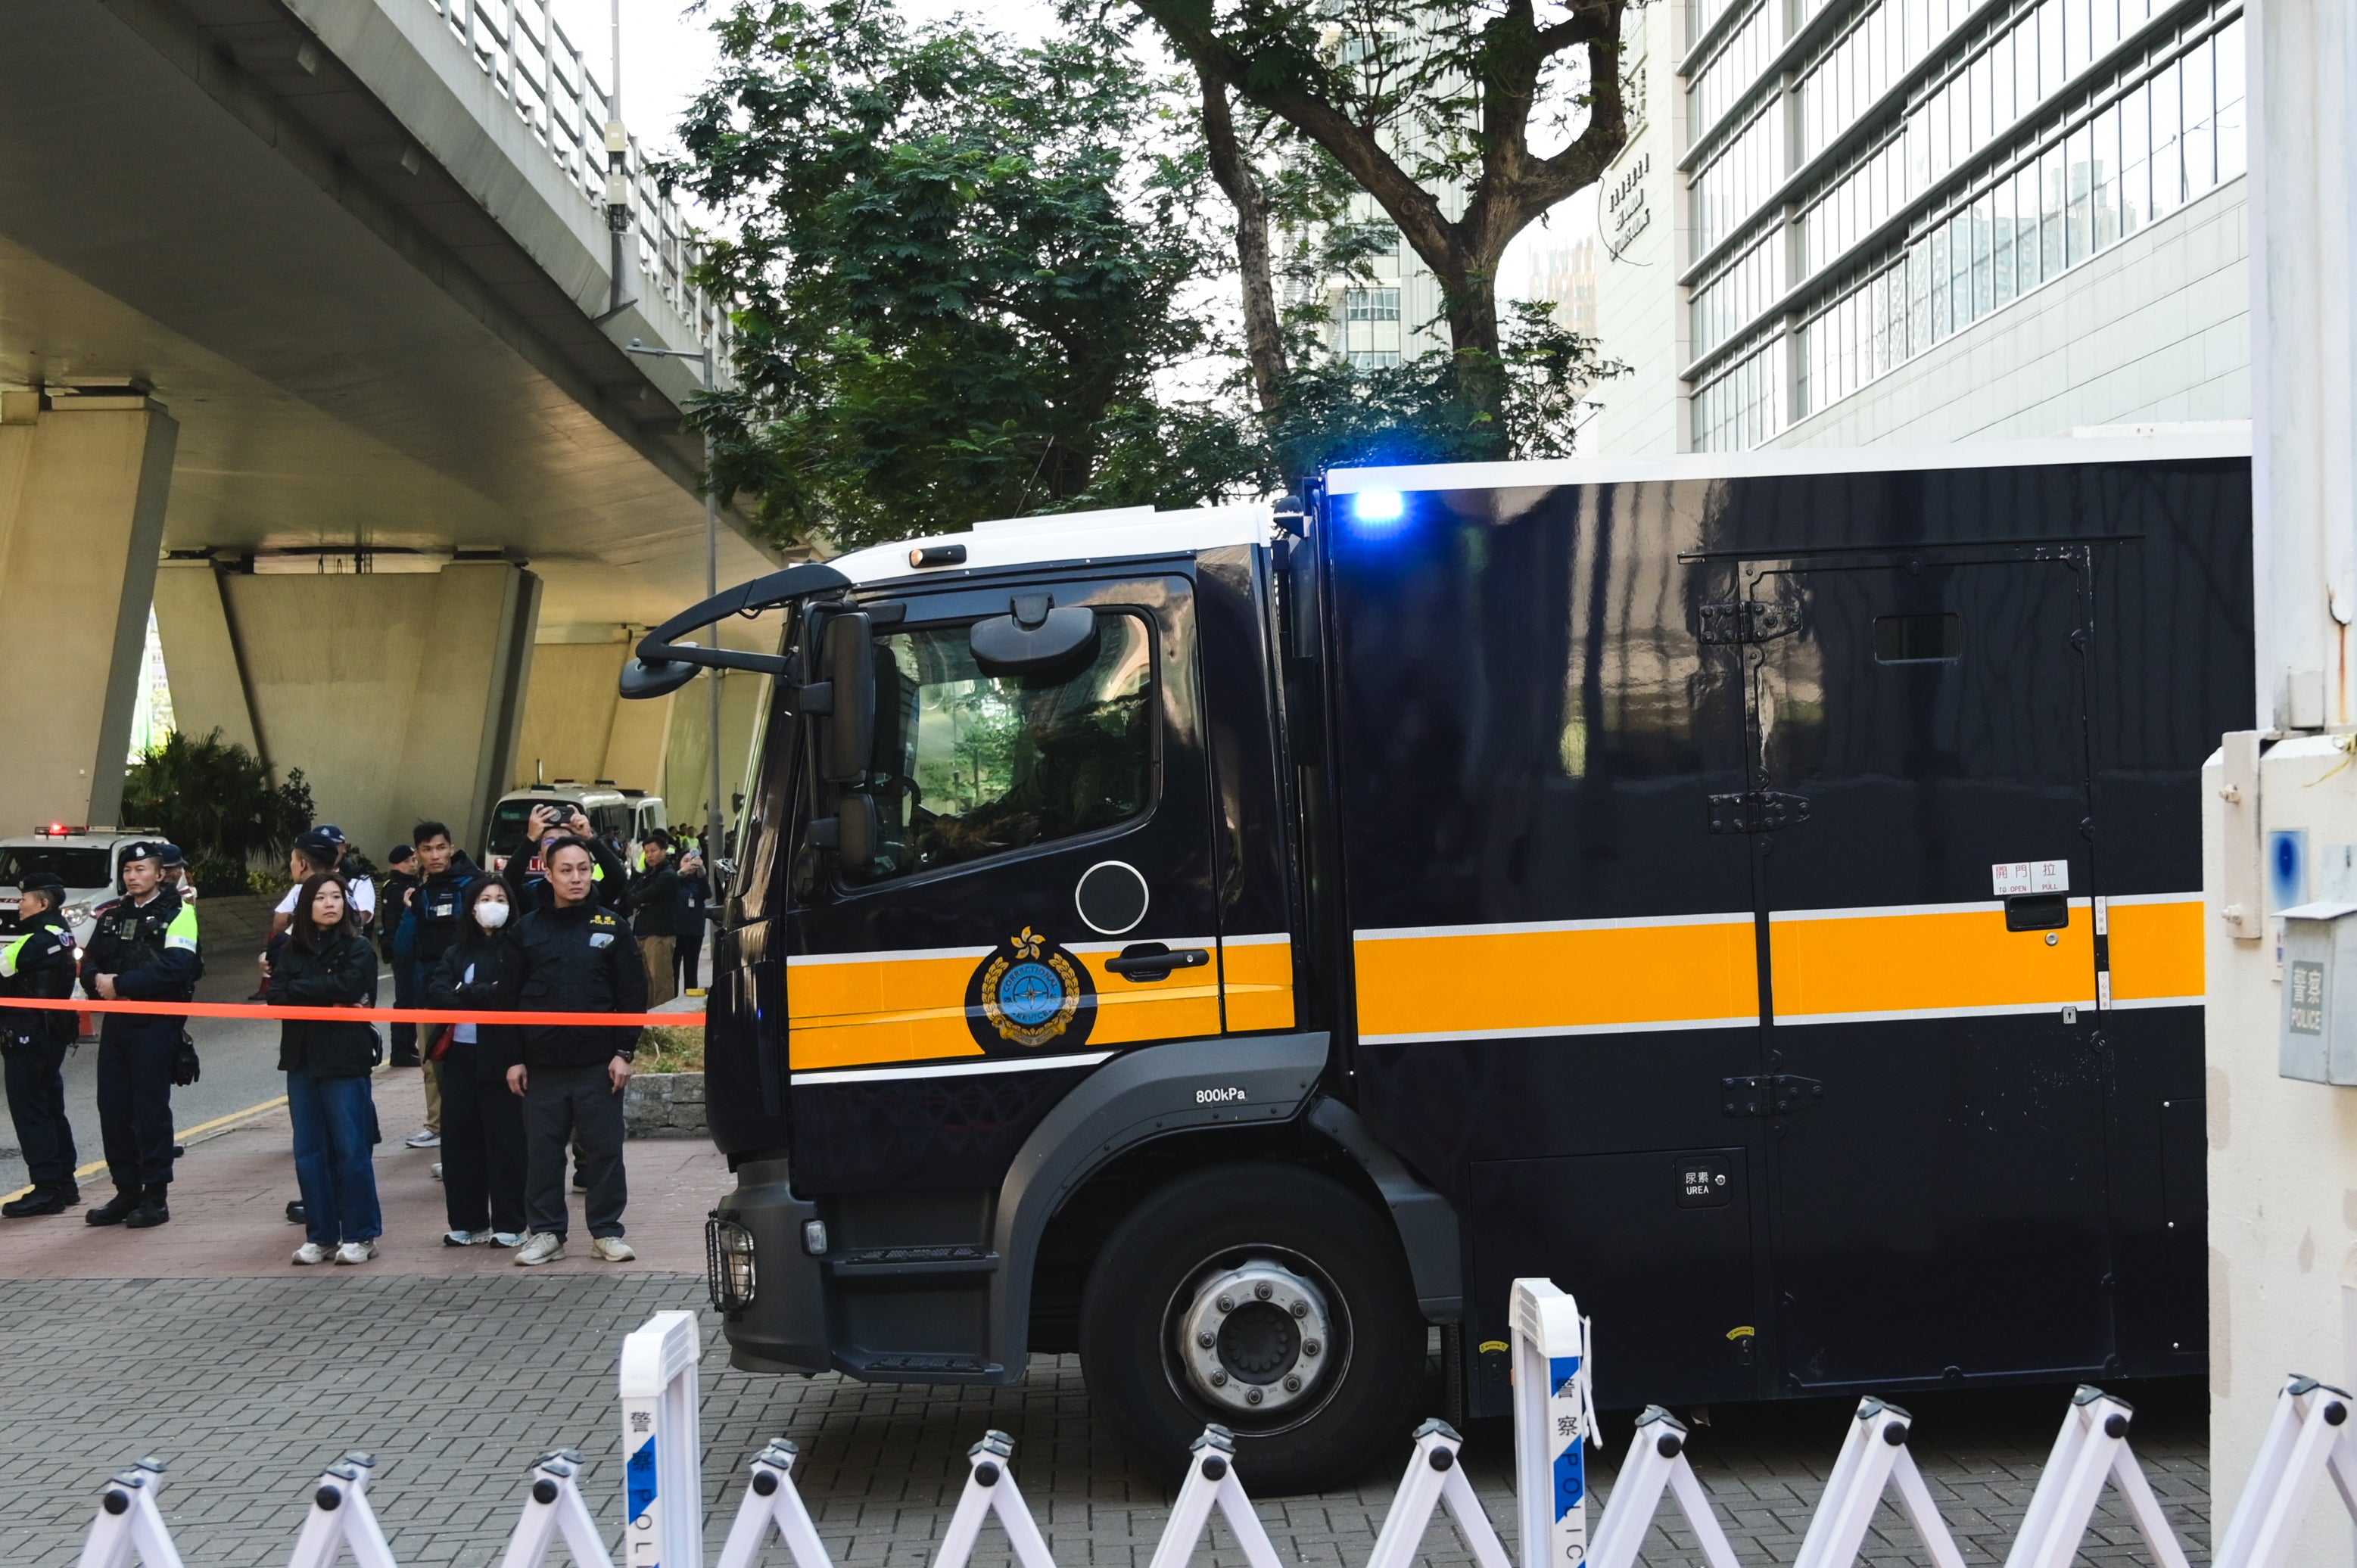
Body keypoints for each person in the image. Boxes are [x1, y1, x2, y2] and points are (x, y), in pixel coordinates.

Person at [502, 835, 646, 1265]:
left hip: (598, 1067)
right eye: (566, 870)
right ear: (548, 873)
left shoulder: (611, 927)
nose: (576, 877)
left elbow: (632, 995)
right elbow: (506, 1002)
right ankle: (546, 1233)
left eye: (584, 868)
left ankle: (606, 1232)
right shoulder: (526, 930)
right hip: (541, 1068)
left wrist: (624, 1052)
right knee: (543, 1153)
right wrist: (513, 1058)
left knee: (604, 1150)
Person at [80, 841, 198, 1229]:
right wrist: (99, 981)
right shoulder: (113, 916)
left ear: (160, 873)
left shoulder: (179, 913)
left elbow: (178, 968)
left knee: (150, 1110)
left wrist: (123, 983)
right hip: (118, 1024)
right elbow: (90, 959)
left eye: (141, 869)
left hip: (155, 1023)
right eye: (128, 870)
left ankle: (155, 1196)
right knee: (113, 1108)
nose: (133, 876)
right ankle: (126, 1190)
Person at [268, 873, 384, 1265]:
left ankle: (361, 1234)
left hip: (344, 1059)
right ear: (306, 905)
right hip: (301, 1059)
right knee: (309, 1152)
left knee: (351, 1149)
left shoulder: (359, 947)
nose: (330, 904)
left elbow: (352, 988)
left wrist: (312, 991)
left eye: (337, 897)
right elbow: (277, 997)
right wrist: (326, 993)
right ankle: (321, 1235)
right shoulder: (290, 949)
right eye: (321, 897)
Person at [427, 879, 528, 1246]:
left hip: (503, 1057)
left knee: (506, 1141)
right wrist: (474, 995)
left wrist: (464, 992)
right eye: (485, 899)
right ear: (472, 907)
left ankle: (511, 1223)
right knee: (459, 1141)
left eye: (501, 898)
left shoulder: (517, 948)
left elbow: (508, 995)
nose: (493, 905)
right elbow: (437, 994)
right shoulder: (456, 952)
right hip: (460, 1056)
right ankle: (468, 1221)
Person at [0, 873, 82, 1217]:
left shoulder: (34, 940)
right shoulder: (61, 933)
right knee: (49, 1105)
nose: (19, 905)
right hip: (50, 1033)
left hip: (29, 1035)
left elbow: (4, 967)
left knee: (30, 1109)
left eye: (24, 899)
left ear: (43, 903)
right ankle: (64, 1182)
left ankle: (47, 1188)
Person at [401, 821, 479, 1146]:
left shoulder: (473, 884)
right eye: (427, 850)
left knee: (470, 1062)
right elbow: (403, 948)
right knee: (432, 1061)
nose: (435, 855)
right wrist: (410, 910)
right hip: (429, 991)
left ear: (451, 847)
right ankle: (437, 1126)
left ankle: (468, 1128)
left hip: (471, 994)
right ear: (417, 854)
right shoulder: (420, 895)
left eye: (440, 848)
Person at [504, 803, 630, 916]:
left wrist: (590, 838)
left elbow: (617, 878)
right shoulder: (533, 895)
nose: (556, 846)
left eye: (563, 840)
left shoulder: (590, 893)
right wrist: (530, 838)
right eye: (550, 841)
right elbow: (510, 881)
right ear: (541, 857)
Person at [625, 832, 681, 1008]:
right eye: (647, 851)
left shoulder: (668, 875)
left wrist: (640, 900)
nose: (649, 855)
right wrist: (640, 901)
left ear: (664, 850)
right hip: (643, 932)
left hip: (660, 933)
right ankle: (649, 1022)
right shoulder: (649, 874)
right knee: (646, 981)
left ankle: (663, 1022)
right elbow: (631, 896)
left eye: (654, 850)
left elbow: (642, 895)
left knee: (661, 981)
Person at [674, 849, 709, 995]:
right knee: (672, 970)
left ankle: (690, 1002)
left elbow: (707, 893)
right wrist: (681, 873)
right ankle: (671, 999)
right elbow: (667, 887)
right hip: (675, 932)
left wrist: (702, 872)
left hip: (694, 932)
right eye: (686, 860)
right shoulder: (673, 881)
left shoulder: (698, 882)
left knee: (691, 970)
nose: (690, 864)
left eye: (693, 861)